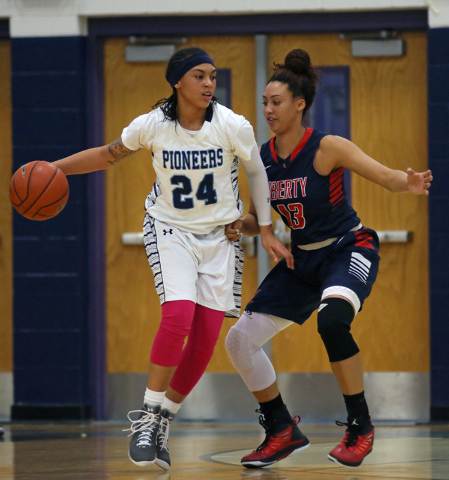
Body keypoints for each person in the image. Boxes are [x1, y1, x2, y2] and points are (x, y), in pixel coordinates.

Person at [52, 47, 291, 470]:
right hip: (170, 230)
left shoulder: (232, 124)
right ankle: (146, 417)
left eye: (213, 77)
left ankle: (163, 421)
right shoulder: (153, 125)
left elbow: (256, 172)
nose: (208, 84)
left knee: (202, 344)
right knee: (177, 315)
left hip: (219, 238)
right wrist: (55, 168)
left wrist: (264, 226)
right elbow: (108, 154)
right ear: (177, 81)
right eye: (199, 76)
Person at [225, 48, 432, 469]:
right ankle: (281, 429)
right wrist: (238, 225)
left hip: (347, 247)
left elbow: (383, 175)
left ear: (299, 104)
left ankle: (360, 426)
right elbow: (256, 217)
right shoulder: (263, 159)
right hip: (302, 261)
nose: (268, 109)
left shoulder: (327, 147)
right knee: (239, 341)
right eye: (264, 102)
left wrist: (406, 182)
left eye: (276, 102)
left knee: (332, 320)